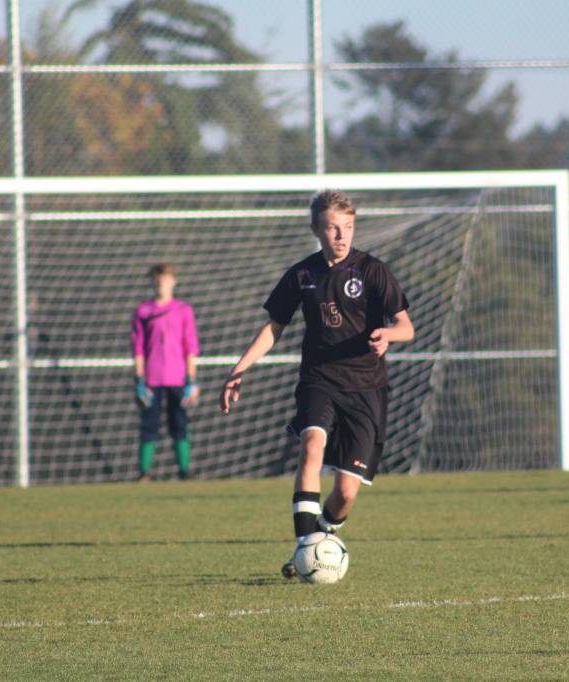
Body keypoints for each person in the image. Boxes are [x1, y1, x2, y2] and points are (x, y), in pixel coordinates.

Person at [220, 189, 414, 578]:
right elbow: (275, 327)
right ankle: (305, 548)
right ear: (316, 229)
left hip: (366, 389)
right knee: (311, 446)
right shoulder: (302, 274)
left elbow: (406, 326)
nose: (341, 236)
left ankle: (321, 536)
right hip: (319, 380)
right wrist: (239, 369)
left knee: (345, 493)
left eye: (348, 227)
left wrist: (387, 335)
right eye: (332, 228)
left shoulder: (373, 271)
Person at [131, 263, 200, 481]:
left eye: (166, 278)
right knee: (149, 425)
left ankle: (184, 471)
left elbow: (190, 347)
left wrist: (192, 380)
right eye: (157, 279)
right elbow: (138, 348)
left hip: (178, 378)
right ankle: (144, 473)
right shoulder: (143, 311)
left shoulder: (183, 310)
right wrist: (140, 380)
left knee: (179, 424)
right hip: (152, 378)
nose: (161, 283)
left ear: (173, 281)